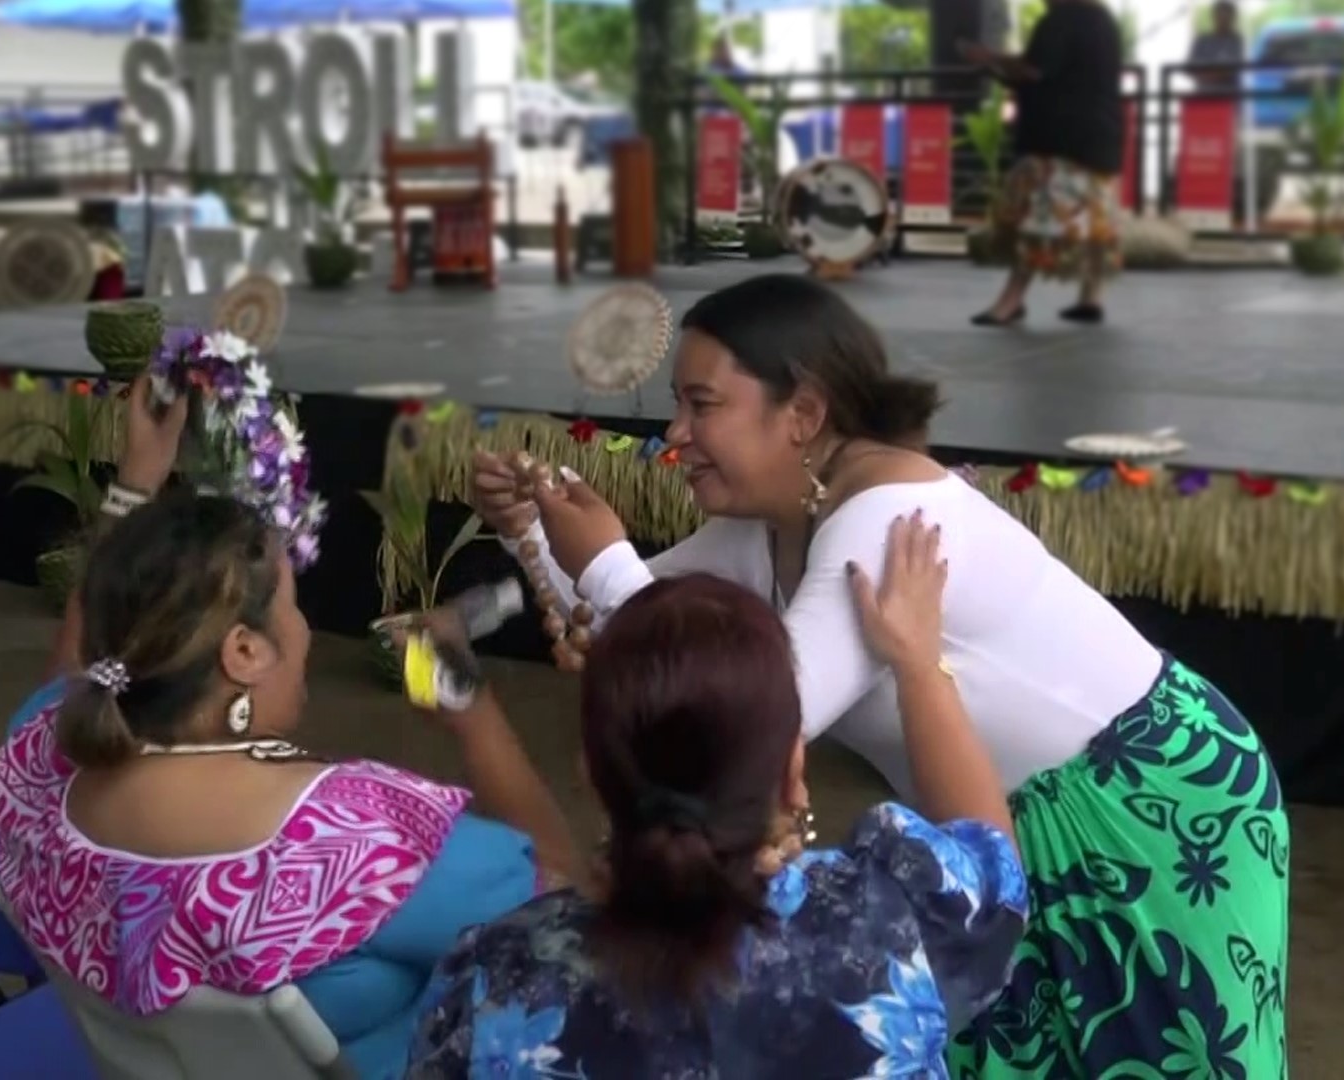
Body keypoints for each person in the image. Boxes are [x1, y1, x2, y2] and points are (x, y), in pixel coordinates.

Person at [470, 274, 1288, 1078]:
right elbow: (649, 632)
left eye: (702, 404)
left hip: (1140, 809)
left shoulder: (884, 518)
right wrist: (533, 538)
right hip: (1001, 830)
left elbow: (749, 724)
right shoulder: (777, 522)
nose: (676, 434)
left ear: (803, 414)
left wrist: (609, 565)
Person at [0, 404, 578, 1078]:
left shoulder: (36, 750)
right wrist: (472, 712)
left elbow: (79, 663)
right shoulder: (365, 839)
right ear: (243, 651)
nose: (303, 632)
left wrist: (139, 476)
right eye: (295, 607)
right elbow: (571, 917)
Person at [408, 519, 1030, 1076]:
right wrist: (919, 664)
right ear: (793, 767)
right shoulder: (894, 919)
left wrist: (478, 722)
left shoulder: (491, 982)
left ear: (591, 775)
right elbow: (992, 857)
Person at [962, 0, 1126, 327]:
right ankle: (1091, 297)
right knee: (1094, 220)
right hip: (1101, 136)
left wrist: (989, 57)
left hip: (1058, 139)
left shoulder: (1060, 19)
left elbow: (1035, 69)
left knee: (1039, 220)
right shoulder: (1104, 20)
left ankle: (1010, 301)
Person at [1189, 2, 1246, 91]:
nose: (1223, 19)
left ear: (1233, 18)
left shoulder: (1236, 41)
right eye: (1220, 15)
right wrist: (1211, 74)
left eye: (1227, 16)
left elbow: (1234, 68)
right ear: (1214, 16)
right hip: (1203, 93)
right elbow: (1190, 68)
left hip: (1228, 94)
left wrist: (1209, 74)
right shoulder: (1202, 40)